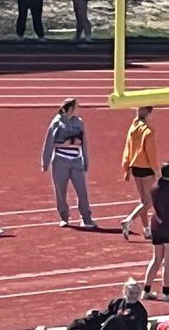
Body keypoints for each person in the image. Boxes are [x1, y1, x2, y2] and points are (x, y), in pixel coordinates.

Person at [42, 98, 97, 229]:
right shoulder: (56, 122)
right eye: (76, 107)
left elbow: (84, 142)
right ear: (70, 108)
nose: (78, 110)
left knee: (82, 190)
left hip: (76, 161)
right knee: (60, 190)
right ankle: (64, 217)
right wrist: (45, 162)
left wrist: (85, 160)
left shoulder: (79, 123)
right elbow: (50, 142)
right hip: (60, 161)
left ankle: (86, 218)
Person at [122, 107, 159, 240]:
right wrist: (156, 171)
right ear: (148, 113)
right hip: (146, 168)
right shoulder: (148, 131)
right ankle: (129, 220)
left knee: (143, 200)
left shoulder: (132, 128)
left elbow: (127, 147)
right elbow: (151, 153)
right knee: (148, 202)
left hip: (135, 167)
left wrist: (126, 168)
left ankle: (146, 230)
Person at [67, 278, 147, 330]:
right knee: (77, 324)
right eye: (131, 293)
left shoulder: (140, 310)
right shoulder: (117, 303)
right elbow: (103, 316)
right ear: (125, 291)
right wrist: (91, 316)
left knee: (114, 320)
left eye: (137, 293)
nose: (134, 296)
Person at [144, 162, 169, 301]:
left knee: (156, 259)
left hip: (156, 226)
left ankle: (146, 289)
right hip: (168, 227)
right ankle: (166, 292)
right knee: (168, 262)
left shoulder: (155, 187)